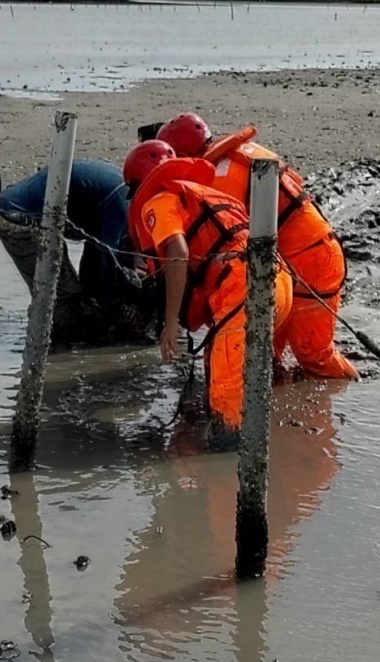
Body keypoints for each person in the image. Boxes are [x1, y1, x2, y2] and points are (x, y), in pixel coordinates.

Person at [156, 112, 358, 381]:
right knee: (261, 354)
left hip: (311, 261)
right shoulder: (246, 153)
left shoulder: (221, 177)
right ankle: (277, 406)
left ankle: (351, 385)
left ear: (183, 154)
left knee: (315, 357)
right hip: (288, 260)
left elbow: (226, 237)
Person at [123, 139, 292, 438]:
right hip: (279, 281)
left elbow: (176, 253)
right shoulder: (205, 193)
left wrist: (172, 324)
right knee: (221, 369)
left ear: (139, 184)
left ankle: (225, 467)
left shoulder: (158, 201)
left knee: (227, 416)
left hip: (244, 291)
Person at [0, 159, 156, 346]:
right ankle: (54, 347)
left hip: (21, 209)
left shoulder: (121, 190)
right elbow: (108, 259)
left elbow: (97, 256)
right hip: (20, 220)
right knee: (62, 295)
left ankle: (60, 336)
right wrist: (123, 298)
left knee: (74, 292)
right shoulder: (122, 203)